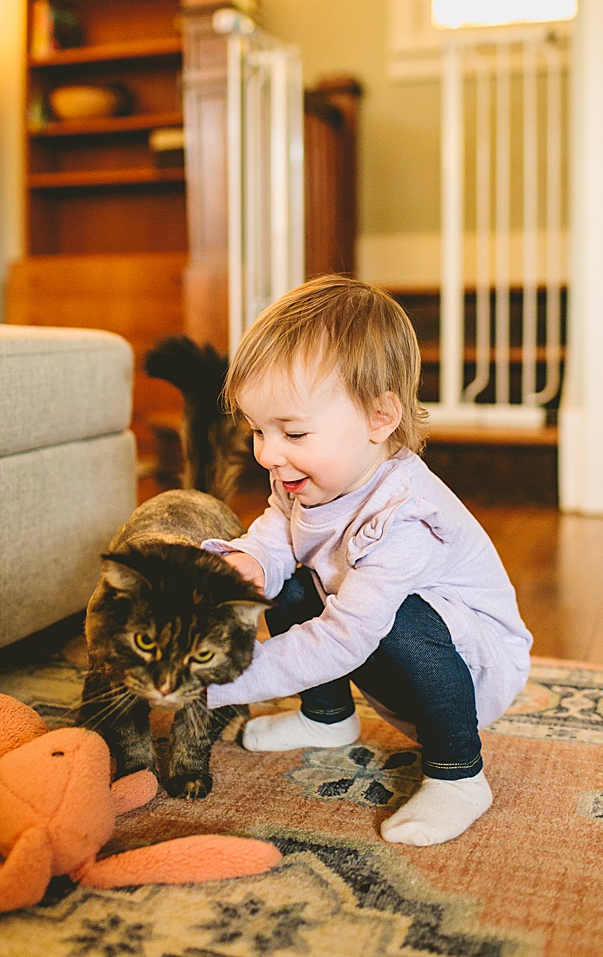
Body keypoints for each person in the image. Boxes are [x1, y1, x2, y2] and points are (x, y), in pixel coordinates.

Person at [203, 275, 531, 846]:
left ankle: (459, 774)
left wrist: (224, 678)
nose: (269, 453)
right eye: (258, 430)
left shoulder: (406, 517)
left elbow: (346, 638)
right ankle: (327, 718)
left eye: (294, 431)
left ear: (380, 419)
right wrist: (252, 559)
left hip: (472, 668)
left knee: (401, 618)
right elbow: (279, 530)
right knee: (294, 585)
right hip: (368, 629)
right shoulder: (307, 478)